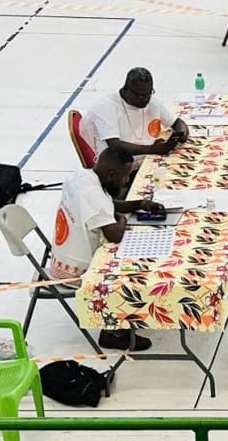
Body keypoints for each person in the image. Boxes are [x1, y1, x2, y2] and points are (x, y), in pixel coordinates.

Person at [50, 148, 164, 351]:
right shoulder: (92, 193)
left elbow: (108, 205)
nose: (126, 181)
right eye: (125, 176)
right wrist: (120, 218)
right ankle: (112, 332)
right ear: (112, 174)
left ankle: (122, 321)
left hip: (61, 259)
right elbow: (115, 234)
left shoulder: (83, 177)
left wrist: (140, 204)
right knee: (138, 264)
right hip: (78, 272)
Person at [81, 67, 189, 158]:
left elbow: (178, 123)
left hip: (144, 158)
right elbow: (115, 146)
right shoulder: (107, 106)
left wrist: (181, 134)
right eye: (140, 96)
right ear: (126, 90)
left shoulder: (151, 101)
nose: (145, 99)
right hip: (118, 167)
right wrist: (152, 149)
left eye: (149, 94)